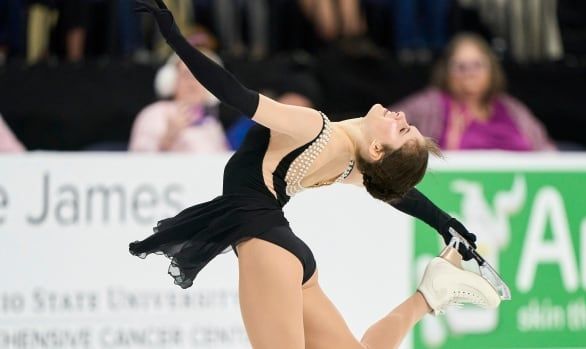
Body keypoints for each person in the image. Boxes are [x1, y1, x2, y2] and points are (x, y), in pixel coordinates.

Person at [129, 1, 501, 348]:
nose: (402, 117)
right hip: (283, 249)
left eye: (403, 131)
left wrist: (175, 38)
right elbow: (393, 190)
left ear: (377, 150)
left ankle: (431, 295)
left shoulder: (314, 128)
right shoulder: (353, 165)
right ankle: (428, 297)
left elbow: (236, 94)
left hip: (266, 243)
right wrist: (443, 221)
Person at [391, 33, 556, 151]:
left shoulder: (511, 108)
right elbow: (385, 127)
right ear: (446, 72)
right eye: (461, 67)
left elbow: (546, 150)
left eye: (477, 65)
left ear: (491, 70)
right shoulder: (429, 105)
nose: (470, 73)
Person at [128, 50, 230, 152]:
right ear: (171, 80)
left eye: (201, 77)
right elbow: (138, 160)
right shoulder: (153, 113)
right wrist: (168, 138)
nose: (193, 82)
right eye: (187, 75)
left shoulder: (212, 124)